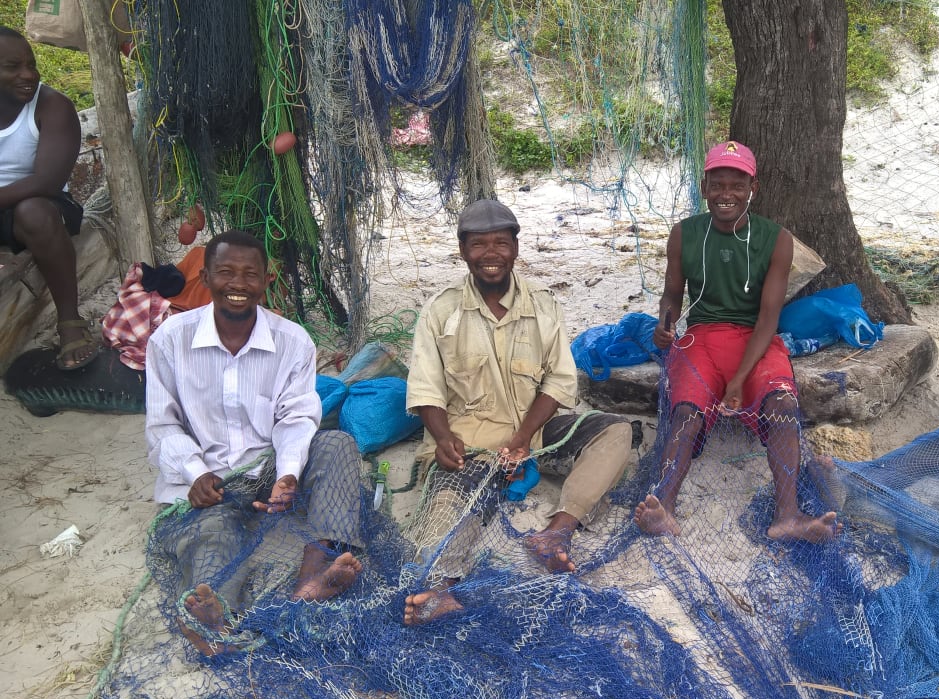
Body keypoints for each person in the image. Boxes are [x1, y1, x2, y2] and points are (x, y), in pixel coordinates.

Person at [403, 199, 632, 624]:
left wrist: (524, 439)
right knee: (451, 502)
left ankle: (556, 532)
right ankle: (440, 589)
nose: (491, 255)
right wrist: (443, 437)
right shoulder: (440, 310)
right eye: (478, 245)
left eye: (501, 244)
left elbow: (560, 382)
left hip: (534, 436)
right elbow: (425, 389)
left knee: (615, 432)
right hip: (469, 444)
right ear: (462, 250)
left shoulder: (543, 304)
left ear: (515, 248)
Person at [146, 230, 364, 655]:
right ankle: (215, 617)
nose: (238, 285)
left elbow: (297, 418)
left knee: (336, 444)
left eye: (251, 274)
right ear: (205, 277)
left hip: (266, 468)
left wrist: (287, 474)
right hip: (206, 481)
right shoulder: (170, 339)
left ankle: (314, 571)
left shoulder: (293, 340)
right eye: (226, 272)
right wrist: (196, 473)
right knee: (211, 533)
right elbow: (160, 426)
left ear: (267, 279)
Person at [632, 141, 841, 543]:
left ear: (752, 189)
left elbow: (768, 318)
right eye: (717, 184)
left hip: (756, 340)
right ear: (704, 187)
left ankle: (788, 516)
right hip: (702, 338)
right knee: (688, 410)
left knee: (782, 403)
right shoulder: (684, 234)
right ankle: (665, 507)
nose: (726, 194)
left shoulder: (776, 239)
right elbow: (672, 295)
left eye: (736, 185)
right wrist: (666, 322)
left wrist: (737, 381)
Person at [0, 27, 96, 370]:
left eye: (31, 64)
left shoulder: (52, 105)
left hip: (45, 205)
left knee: (34, 213)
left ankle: (69, 322)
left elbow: (48, 181)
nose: (28, 74)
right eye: (13, 66)